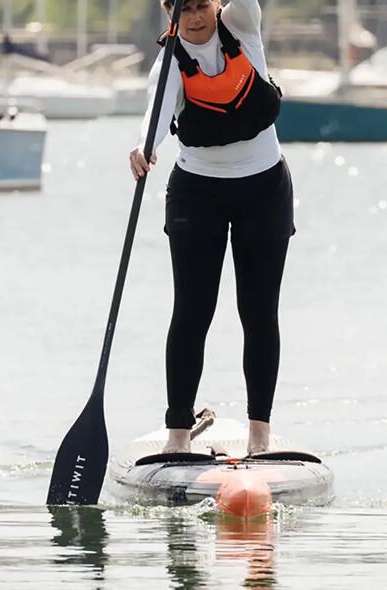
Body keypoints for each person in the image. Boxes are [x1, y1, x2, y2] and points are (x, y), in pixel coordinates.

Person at [127, 0, 291, 456]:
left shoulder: (242, 24)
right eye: (184, 9)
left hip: (264, 190)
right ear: (169, 13)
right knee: (192, 312)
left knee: (258, 312)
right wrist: (144, 148)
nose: (195, 17)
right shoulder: (169, 63)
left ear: (217, 4)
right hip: (197, 195)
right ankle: (178, 435)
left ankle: (260, 434)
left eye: (202, 5)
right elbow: (156, 114)